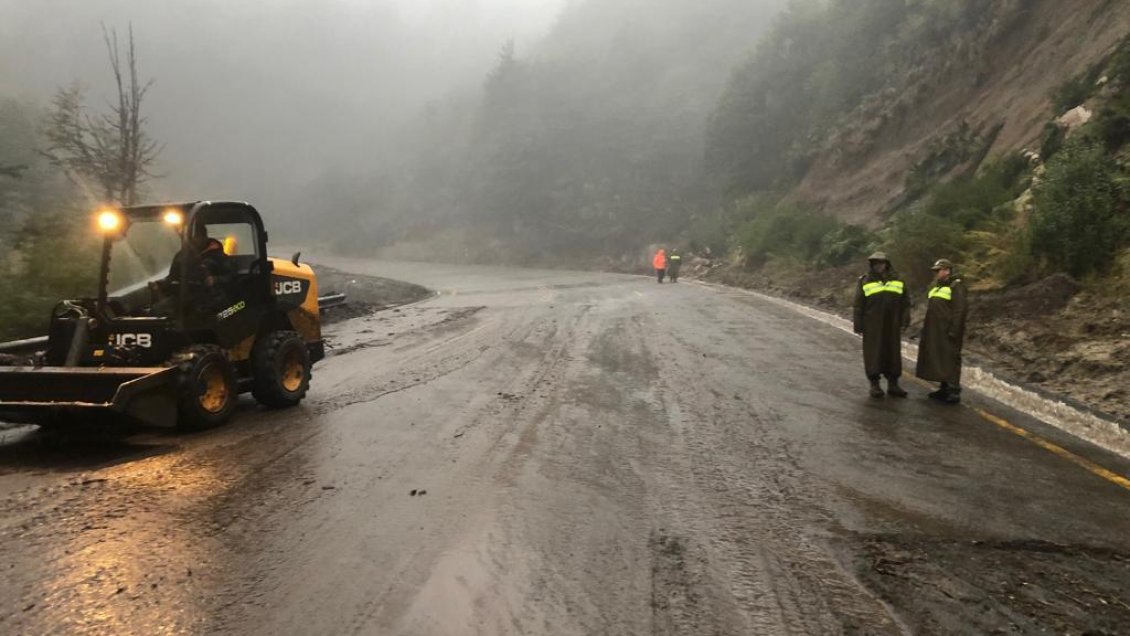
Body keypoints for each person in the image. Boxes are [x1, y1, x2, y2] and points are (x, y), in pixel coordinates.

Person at [853, 252, 911, 398]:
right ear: (871, 265)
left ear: (887, 264)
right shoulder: (865, 281)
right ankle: (875, 384)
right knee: (874, 354)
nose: (878, 266)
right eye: (875, 263)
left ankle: (893, 384)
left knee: (893, 353)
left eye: (881, 263)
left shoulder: (898, 280)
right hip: (872, 325)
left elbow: (906, 302)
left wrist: (905, 320)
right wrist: (858, 325)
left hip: (892, 324)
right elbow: (858, 305)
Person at [916, 258, 969, 404]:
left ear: (947, 270)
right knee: (939, 357)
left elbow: (960, 310)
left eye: (938, 271)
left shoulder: (956, 286)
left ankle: (954, 390)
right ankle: (944, 387)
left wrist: (954, 329)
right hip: (935, 330)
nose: (936, 273)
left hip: (949, 330)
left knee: (950, 357)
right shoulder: (936, 287)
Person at [152, 231, 236, 314]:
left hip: (215, 300)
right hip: (186, 299)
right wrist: (160, 284)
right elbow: (172, 277)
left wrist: (215, 280)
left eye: (197, 237)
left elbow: (232, 277)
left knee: (224, 316)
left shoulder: (218, 256)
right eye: (190, 237)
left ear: (204, 237)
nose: (194, 240)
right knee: (156, 311)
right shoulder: (181, 256)